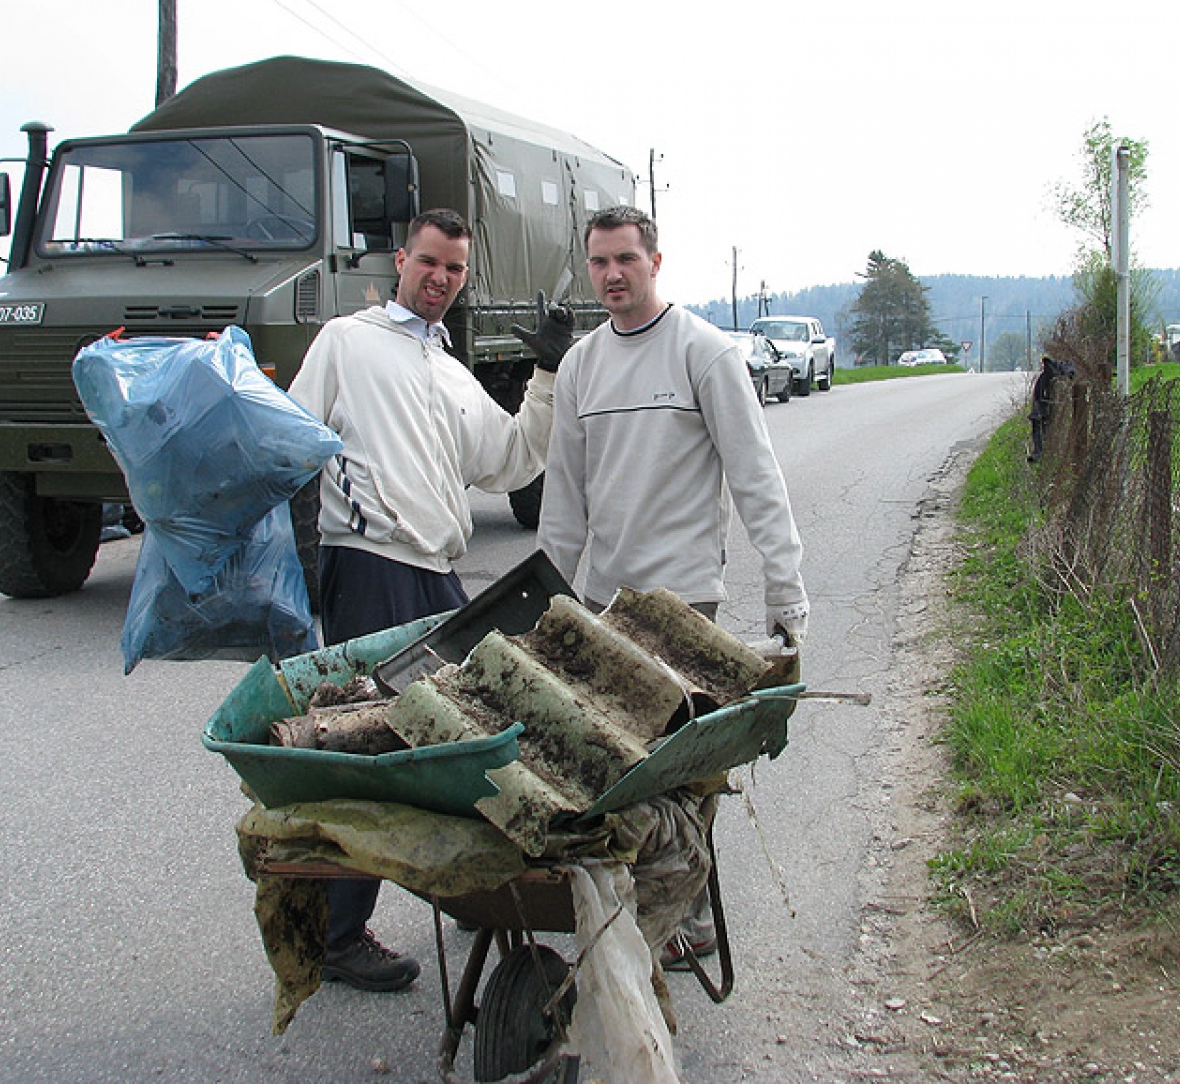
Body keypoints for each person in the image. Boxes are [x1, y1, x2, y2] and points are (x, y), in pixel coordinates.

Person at [288, 207, 573, 991]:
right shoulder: (347, 342)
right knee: (379, 747)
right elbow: (289, 436)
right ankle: (339, 935)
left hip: (439, 570)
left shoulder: (451, 371)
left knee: (463, 732)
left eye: (454, 269)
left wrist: (546, 376)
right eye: (429, 263)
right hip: (370, 561)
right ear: (399, 260)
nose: (440, 279)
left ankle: (466, 885)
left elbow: (513, 458)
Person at [536, 205, 809, 966]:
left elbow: (757, 481)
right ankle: (617, 891)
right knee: (605, 762)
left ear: (657, 260)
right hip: (603, 601)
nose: (612, 274)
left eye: (626, 258)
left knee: (684, 769)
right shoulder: (584, 364)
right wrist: (550, 602)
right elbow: (565, 499)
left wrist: (787, 596)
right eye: (599, 262)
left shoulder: (705, 354)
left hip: (686, 603)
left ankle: (686, 909)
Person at [1029, 355, 1058, 462]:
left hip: (1041, 408)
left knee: (1039, 426)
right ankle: (1040, 452)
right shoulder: (1044, 378)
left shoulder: (1044, 377)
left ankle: (1040, 452)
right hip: (1041, 408)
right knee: (1040, 425)